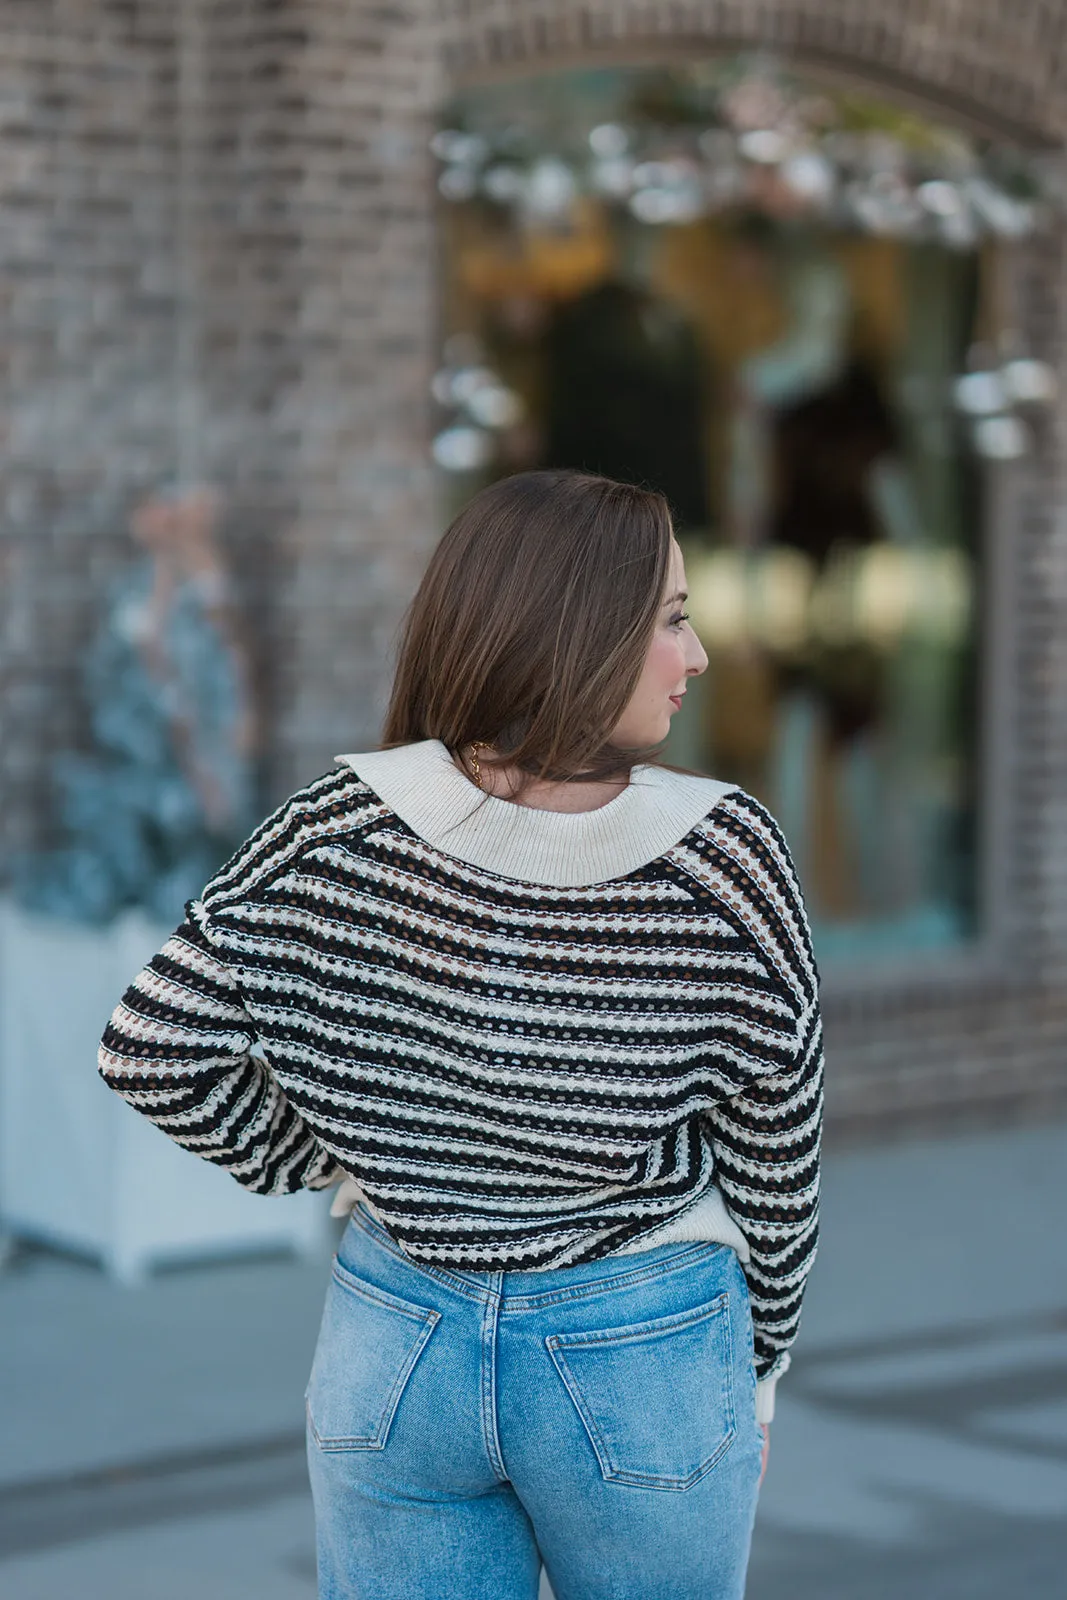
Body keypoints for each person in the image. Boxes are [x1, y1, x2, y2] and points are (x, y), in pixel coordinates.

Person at [98, 470, 823, 1600]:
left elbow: (151, 1049)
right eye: (673, 620)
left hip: (396, 1338)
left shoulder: (336, 825)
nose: (699, 657)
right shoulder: (723, 855)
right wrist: (760, 1362)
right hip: (638, 1347)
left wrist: (349, 1150)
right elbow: (775, 1157)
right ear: (577, 634)